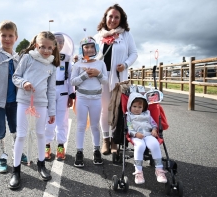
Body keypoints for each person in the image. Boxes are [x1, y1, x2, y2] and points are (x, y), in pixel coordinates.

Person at [9, 31, 60, 189]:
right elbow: (15, 76)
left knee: (40, 134)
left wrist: (52, 111)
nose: (46, 50)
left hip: (41, 104)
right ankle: (16, 171)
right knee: (22, 135)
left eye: (49, 48)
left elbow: (51, 90)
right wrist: (24, 83)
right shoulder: (27, 58)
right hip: (24, 102)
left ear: (53, 48)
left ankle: (41, 165)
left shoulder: (52, 66)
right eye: (42, 47)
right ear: (36, 45)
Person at [0, 20, 27, 174]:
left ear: (16, 37)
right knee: (0, 131)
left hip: (15, 102)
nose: (7, 39)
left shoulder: (18, 57)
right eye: (4, 35)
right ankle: (1, 158)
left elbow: (21, 77)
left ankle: (18, 152)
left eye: (10, 35)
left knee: (17, 129)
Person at [94, 4, 138, 155]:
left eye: (116, 17)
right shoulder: (98, 36)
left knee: (118, 110)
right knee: (104, 110)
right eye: (110, 16)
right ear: (105, 18)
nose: (113, 20)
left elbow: (134, 54)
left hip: (119, 78)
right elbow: (89, 54)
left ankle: (115, 140)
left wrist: (125, 64)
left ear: (121, 19)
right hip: (101, 78)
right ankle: (105, 139)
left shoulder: (126, 35)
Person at [71, 36, 108, 167]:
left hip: (96, 99)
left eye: (92, 46)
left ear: (96, 48)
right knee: (81, 126)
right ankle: (79, 152)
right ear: (82, 49)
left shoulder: (100, 63)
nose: (89, 49)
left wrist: (98, 73)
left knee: (94, 126)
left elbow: (105, 81)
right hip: (82, 98)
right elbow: (72, 82)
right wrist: (85, 75)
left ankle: (96, 150)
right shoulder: (78, 64)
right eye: (86, 47)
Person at [44, 32, 75, 161]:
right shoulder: (45, 57)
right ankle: (46, 146)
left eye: (62, 41)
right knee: (48, 119)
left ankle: (61, 146)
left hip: (63, 91)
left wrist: (71, 95)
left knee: (62, 120)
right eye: (56, 41)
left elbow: (71, 79)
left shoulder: (67, 59)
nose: (59, 44)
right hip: (48, 91)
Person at [127, 92, 167, 184]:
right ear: (130, 106)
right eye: (134, 106)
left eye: (140, 107)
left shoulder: (147, 114)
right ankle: (138, 172)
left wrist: (154, 129)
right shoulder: (129, 115)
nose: (137, 109)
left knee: (155, 144)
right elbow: (129, 127)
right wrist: (135, 133)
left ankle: (159, 170)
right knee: (140, 146)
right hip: (136, 136)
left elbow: (153, 123)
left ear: (143, 108)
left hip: (148, 134)